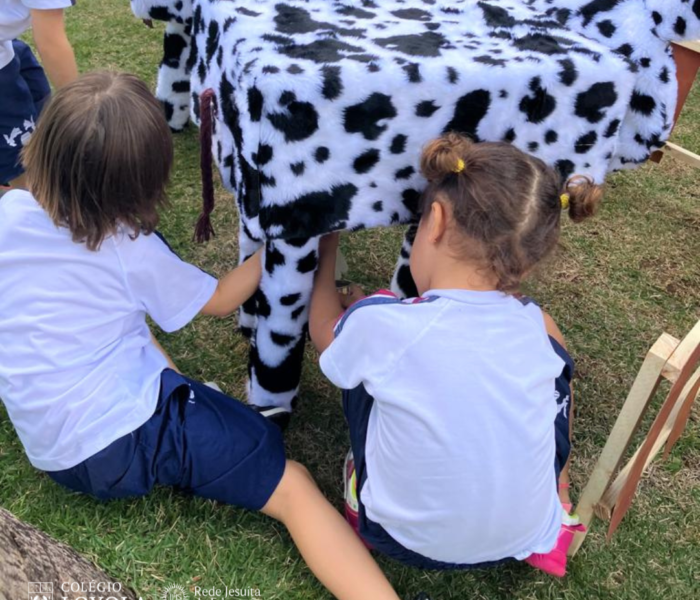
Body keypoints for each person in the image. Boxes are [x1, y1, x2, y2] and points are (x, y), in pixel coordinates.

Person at [0, 71, 401, 600]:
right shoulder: (129, 249)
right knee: (291, 481)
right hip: (114, 443)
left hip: (46, 439)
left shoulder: (9, 212)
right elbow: (220, 300)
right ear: (145, 182)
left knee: (136, 332)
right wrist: (287, 239)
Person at [309, 133, 602, 577]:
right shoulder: (536, 325)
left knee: (359, 355)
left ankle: (357, 494)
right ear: (530, 259)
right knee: (554, 363)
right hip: (519, 539)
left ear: (436, 221)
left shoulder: (383, 324)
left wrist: (327, 248)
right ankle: (558, 496)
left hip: (398, 538)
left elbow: (324, 333)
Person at [1, 0, 78, 190]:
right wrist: (82, 106)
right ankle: (25, 192)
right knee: (17, 153)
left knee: (40, 101)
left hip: (7, 42)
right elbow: (50, 43)